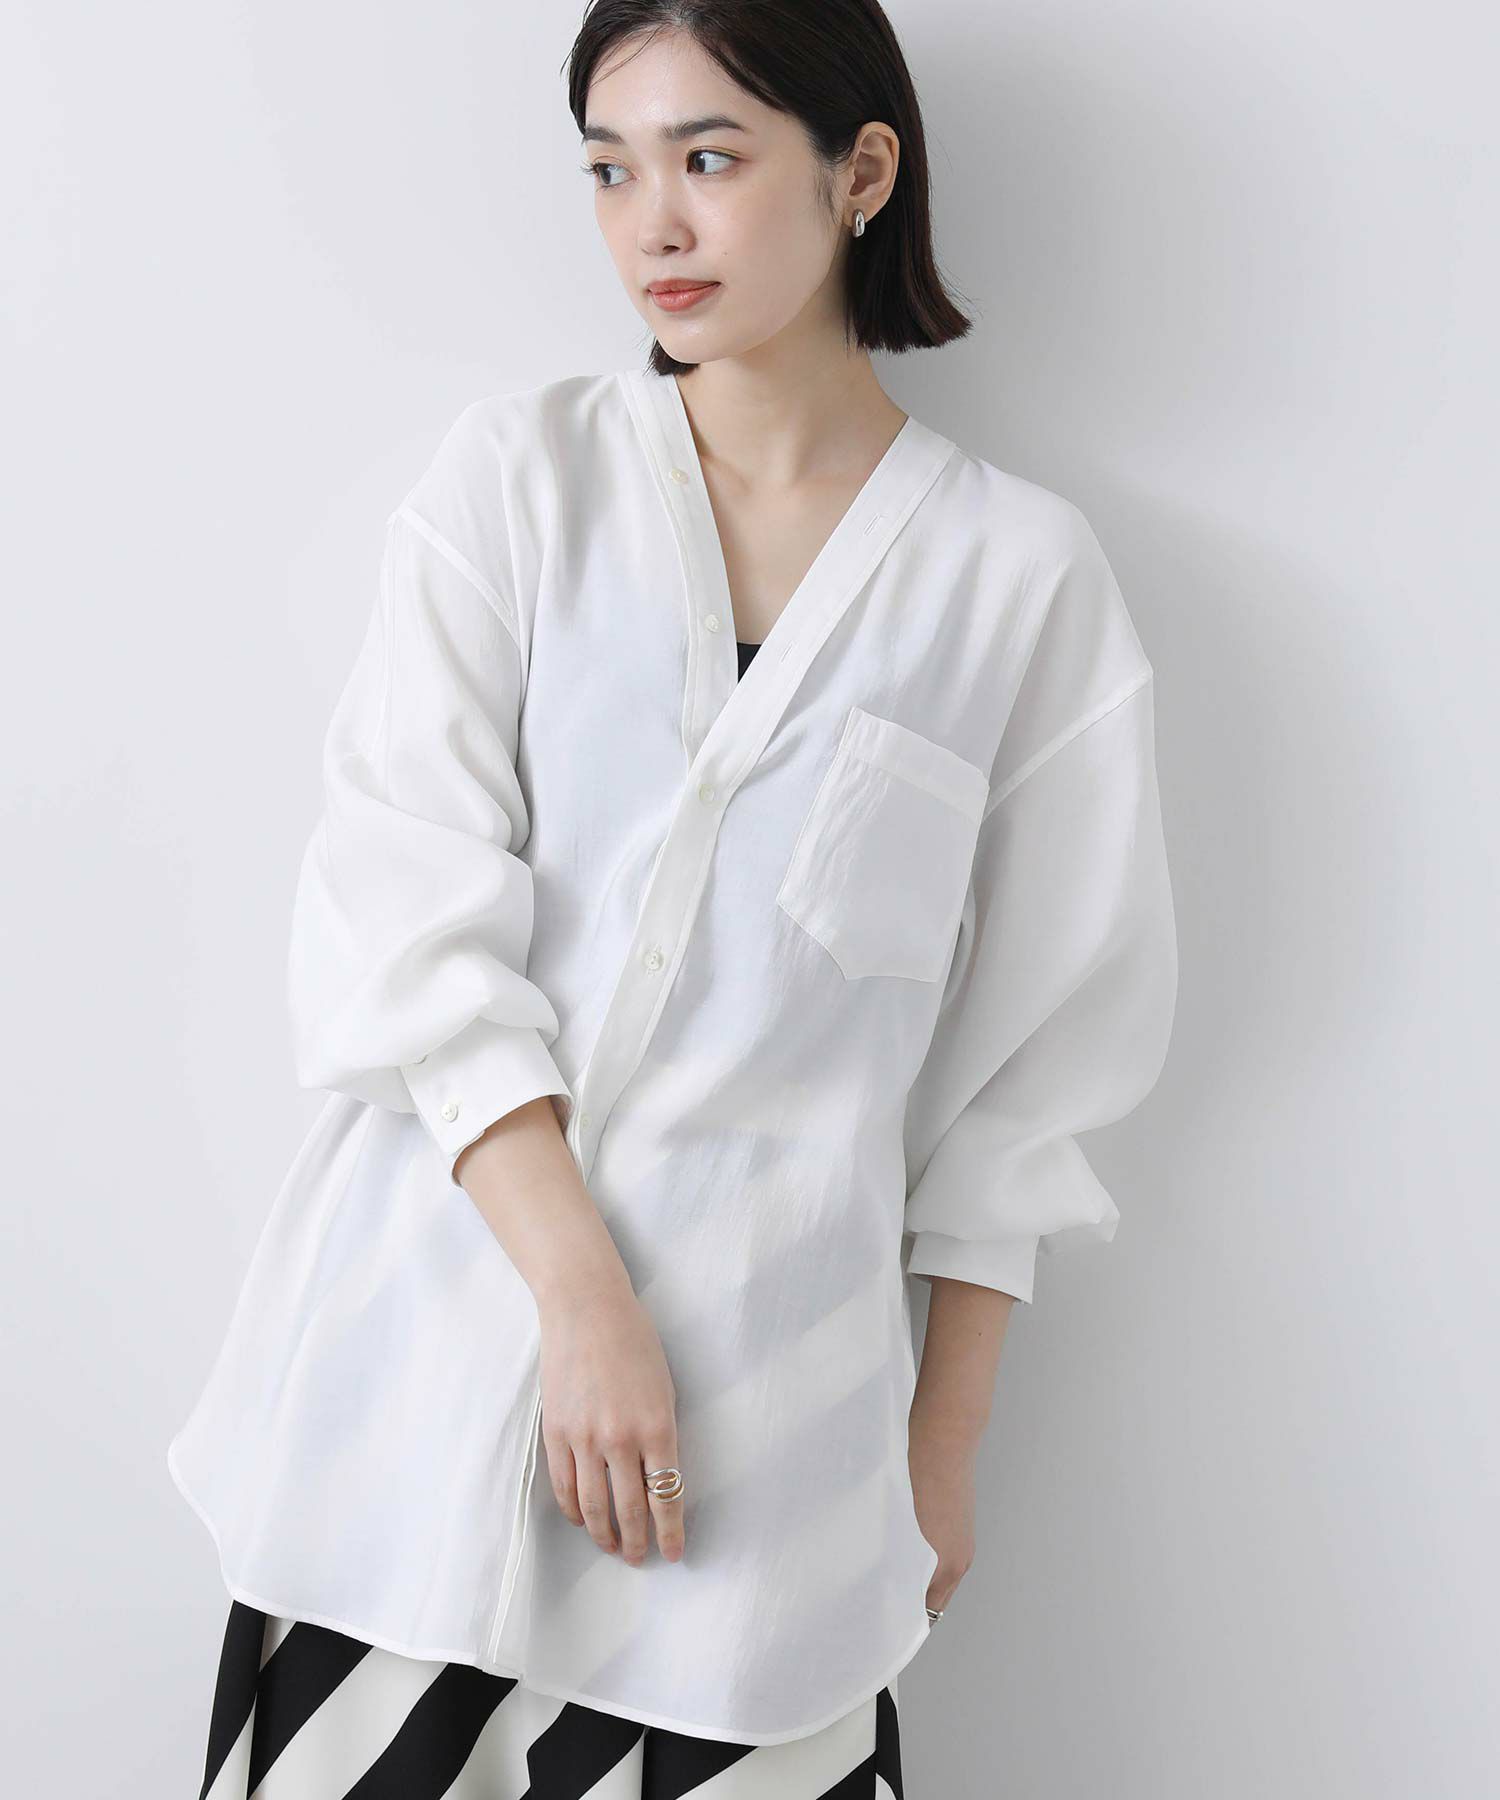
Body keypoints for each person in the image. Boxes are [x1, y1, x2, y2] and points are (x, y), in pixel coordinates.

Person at [168, 2, 1180, 1793]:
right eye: (610, 170)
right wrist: (584, 1302)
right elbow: (404, 920)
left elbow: (1031, 1077)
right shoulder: (518, 484)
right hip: (409, 1431)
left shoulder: (1017, 582)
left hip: (761, 1498)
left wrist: (942, 1454)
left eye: (709, 159)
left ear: (861, 171)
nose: (655, 224)